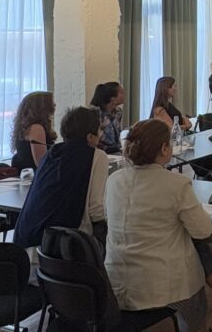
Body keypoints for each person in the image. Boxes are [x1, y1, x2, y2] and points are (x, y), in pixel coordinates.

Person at [104, 121, 212, 332]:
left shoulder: (114, 180)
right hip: (158, 284)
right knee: (192, 244)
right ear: (165, 149)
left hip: (117, 281)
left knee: (183, 236)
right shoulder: (175, 184)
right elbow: (203, 230)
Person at [13, 107, 108, 249]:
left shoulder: (51, 153)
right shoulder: (97, 156)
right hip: (66, 243)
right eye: (99, 131)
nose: (101, 135)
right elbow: (96, 209)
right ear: (90, 137)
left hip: (28, 239)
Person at [11, 91, 57, 171]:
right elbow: (41, 162)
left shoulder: (26, 127)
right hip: (35, 175)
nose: (54, 105)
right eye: (51, 103)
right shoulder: (36, 128)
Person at [89, 82, 126, 154]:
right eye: (121, 93)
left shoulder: (118, 112)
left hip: (116, 150)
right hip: (99, 151)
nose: (124, 95)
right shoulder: (95, 112)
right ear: (112, 98)